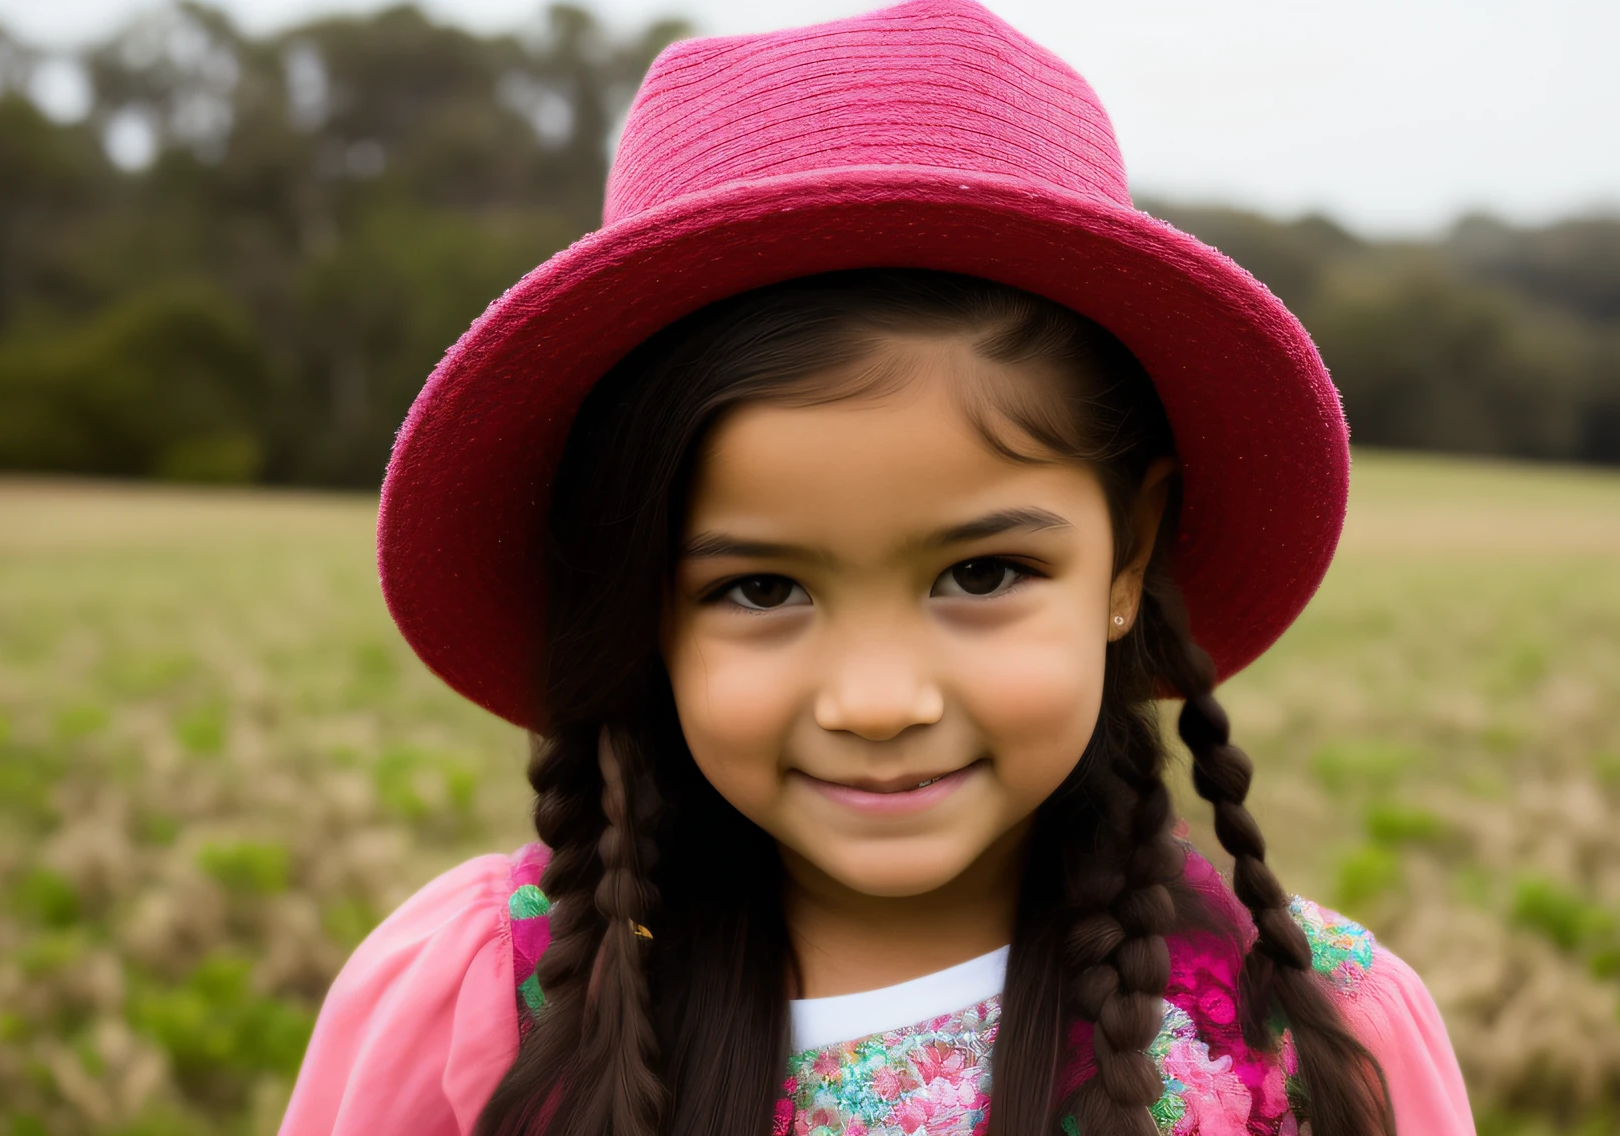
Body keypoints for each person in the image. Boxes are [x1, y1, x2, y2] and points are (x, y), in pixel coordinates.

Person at [278, 2, 1473, 1133]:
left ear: (1129, 553)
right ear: (644, 597)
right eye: (759, 588)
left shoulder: (1311, 1049)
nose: (878, 699)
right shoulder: (483, 1005)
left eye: (983, 573)